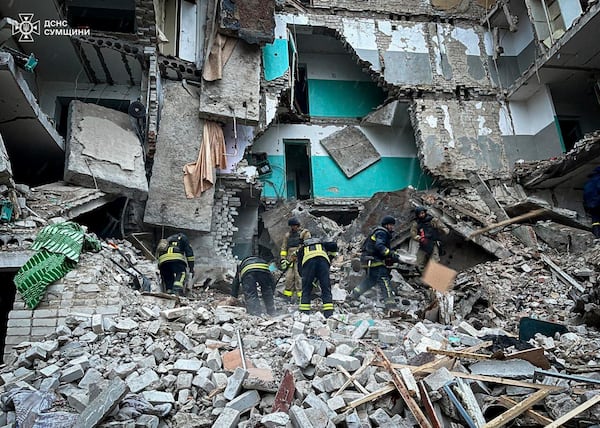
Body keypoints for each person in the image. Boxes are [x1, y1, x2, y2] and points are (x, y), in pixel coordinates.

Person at [350, 216, 401, 309]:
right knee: (384, 280)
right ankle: (390, 304)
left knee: (370, 281)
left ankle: (354, 294)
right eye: (391, 225)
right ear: (386, 225)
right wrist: (390, 253)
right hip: (374, 261)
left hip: (368, 260)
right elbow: (379, 246)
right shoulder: (382, 233)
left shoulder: (379, 232)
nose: (392, 227)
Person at [296, 237, 338, 318]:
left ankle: (304, 314)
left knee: (306, 290)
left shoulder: (302, 249)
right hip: (323, 262)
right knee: (326, 288)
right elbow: (334, 245)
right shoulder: (322, 244)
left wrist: (307, 279)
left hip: (309, 263)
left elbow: (300, 268)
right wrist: (330, 257)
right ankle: (329, 314)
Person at [280, 217, 311, 302]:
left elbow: (306, 245)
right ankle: (287, 296)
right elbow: (283, 248)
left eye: (294, 226)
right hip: (290, 259)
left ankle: (301, 297)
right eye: (291, 226)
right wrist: (283, 259)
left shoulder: (304, 233)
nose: (293, 228)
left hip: (300, 259)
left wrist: (300, 255)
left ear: (298, 226)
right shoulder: (288, 235)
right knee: (288, 278)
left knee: (299, 278)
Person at [410, 206, 449, 273]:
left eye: (423, 213)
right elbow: (413, 234)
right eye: (420, 214)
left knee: (434, 261)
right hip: (424, 244)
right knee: (418, 262)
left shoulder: (433, 220)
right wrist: (418, 238)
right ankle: (421, 276)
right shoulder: (416, 224)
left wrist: (444, 230)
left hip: (433, 243)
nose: (422, 215)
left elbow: (444, 228)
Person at [584, 166, 600, 238]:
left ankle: (597, 236)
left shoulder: (588, 183)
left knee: (595, 220)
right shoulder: (598, 179)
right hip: (598, 202)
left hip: (590, 204)